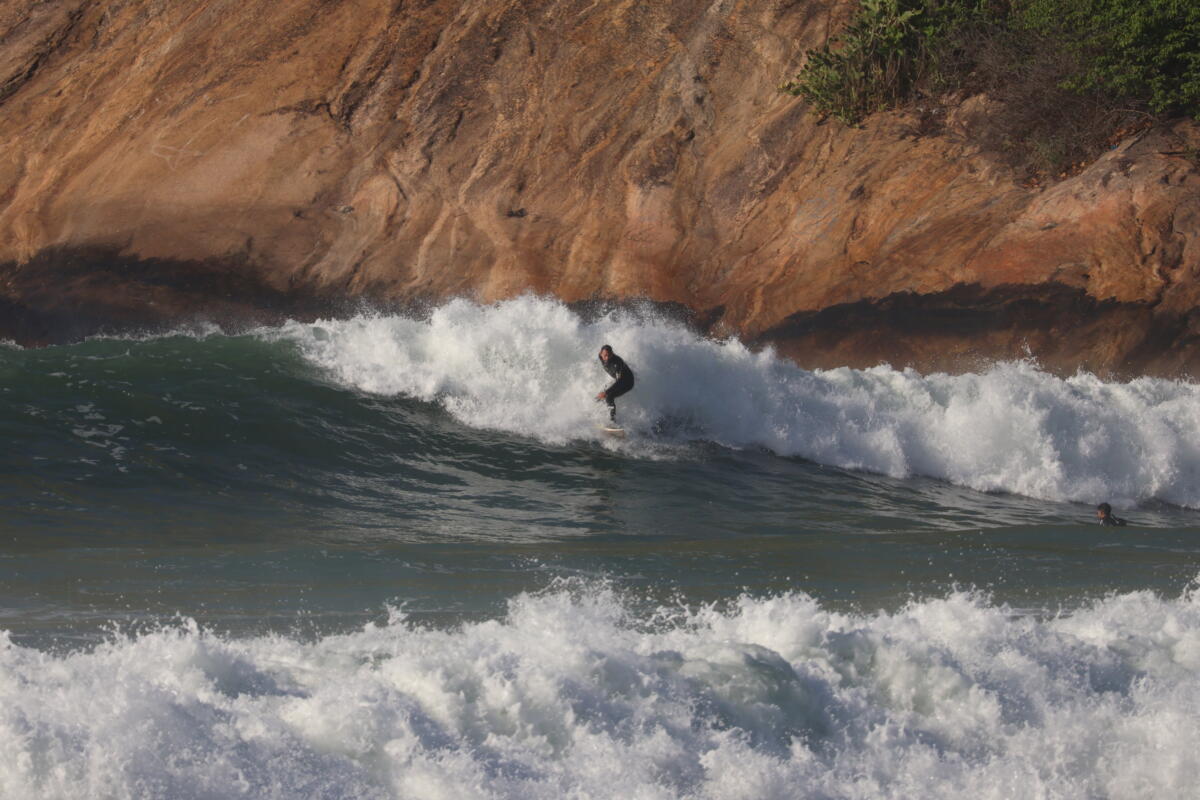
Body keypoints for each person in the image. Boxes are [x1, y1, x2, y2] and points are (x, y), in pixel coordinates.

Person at [596, 344, 634, 424]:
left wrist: (606, 392)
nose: (607, 358)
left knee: (609, 396)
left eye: (609, 355)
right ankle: (597, 415)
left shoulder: (617, 363)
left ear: (612, 353)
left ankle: (612, 421)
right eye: (605, 355)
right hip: (617, 380)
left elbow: (620, 381)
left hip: (627, 382)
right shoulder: (600, 357)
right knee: (598, 398)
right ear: (600, 354)